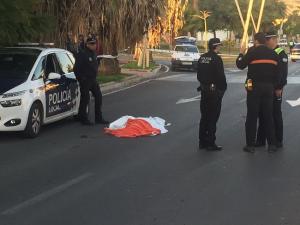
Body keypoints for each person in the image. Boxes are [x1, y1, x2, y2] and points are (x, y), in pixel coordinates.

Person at [236, 32, 280, 153]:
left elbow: (240, 65)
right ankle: (272, 144)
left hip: (254, 87)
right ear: (265, 41)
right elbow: (278, 73)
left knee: (252, 116)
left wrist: (240, 53)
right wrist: (274, 86)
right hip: (269, 88)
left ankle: (250, 145)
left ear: (256, 41)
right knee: (268, 116)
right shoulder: (273, 54)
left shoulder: (252, 52)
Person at [256, 31, 288, 148]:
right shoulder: (268, 52)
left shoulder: (280, 53)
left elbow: (283, 73)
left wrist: (279, 87)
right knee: (263, 113)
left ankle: (278, 140)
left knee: (275, 114)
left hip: (276, 88)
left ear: (273, 40)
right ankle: (260, 140)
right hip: (267, 88)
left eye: (267, 40)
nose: (265, 42)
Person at [197, 38, 227, 151]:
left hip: (204, 91)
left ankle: (202, 142)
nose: (220, 47)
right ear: (216, 46)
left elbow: (198, 74)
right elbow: (220, 77)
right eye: (219, 45)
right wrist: (222, 89)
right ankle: (210, 143)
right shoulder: (217, 59)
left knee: (204, 117)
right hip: (214, 92)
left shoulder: (202, 57)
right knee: (213, 117)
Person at [73, 36, 109, 125]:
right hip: (85, 80)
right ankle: (83, 118)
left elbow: (94, 65)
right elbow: (76, 69)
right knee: (85, 99)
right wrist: (81, 79)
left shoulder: (94, 54)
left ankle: (98, 118)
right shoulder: (82, 54)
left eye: (95, 43)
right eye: (92, 44)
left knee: (98, 97)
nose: (94, 45)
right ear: (87, 45)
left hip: (93, 80)